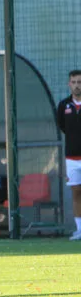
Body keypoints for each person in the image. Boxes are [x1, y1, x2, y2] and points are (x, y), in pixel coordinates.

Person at [58, 70, 81, 241]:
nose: (77, 85)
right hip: (72, 157)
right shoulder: (63, 105)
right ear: (69, 84)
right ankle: (79, 229)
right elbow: (63, 127)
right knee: (76, 193)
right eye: (73, 82)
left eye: (79, 82)